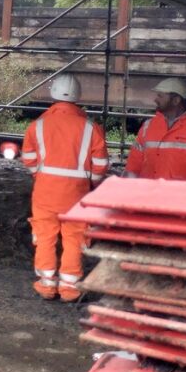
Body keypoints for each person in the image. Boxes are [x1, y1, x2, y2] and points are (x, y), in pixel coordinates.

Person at [20, 74, 110, 302]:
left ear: (53, 93)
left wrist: (40, 176)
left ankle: (46, 285)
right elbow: (100, 164)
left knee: (45, 236)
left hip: (45, 193)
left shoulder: (37, 125)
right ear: (78, 96)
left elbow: (28, 158)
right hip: (76, 193)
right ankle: (69, 289)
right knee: (75, 238)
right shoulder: (91, 128)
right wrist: (92, 184)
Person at [125, 77, 186, 183]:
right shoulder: (149, 125)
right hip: (149, 191)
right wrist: (131, 185)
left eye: (160, 96)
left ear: (176, 100)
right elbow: (134, 161)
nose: (155, 100)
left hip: (184, 193)